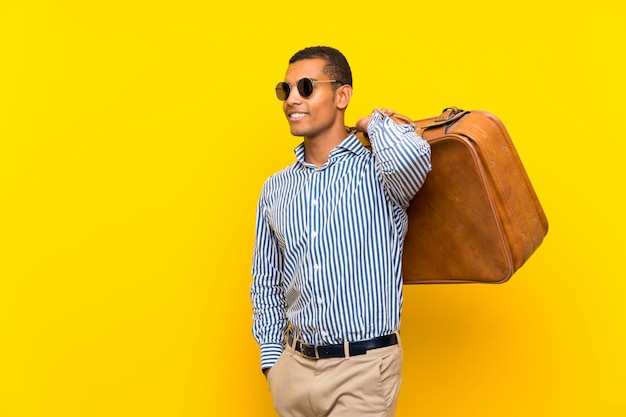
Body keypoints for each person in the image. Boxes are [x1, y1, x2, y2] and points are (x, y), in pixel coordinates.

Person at [250, 46, 432, 417]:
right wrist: (274, 365)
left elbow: (415, 157)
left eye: (305, 87)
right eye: (285, 91)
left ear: (341, 95)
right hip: (295, 371)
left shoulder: (379, 171)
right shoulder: (276, 188)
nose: (292, 100)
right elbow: (265, 282)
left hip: (362, 371)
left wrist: (371, 124)